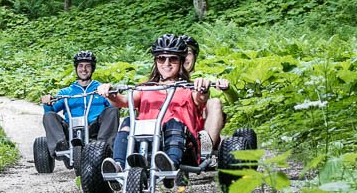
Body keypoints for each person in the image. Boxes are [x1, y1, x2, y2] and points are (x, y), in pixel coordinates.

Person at [108, 34, 202, 171]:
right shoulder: (145, 88)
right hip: (147, 142)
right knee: (128, 122)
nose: (166, 64)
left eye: (173, 59)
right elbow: (122, 101)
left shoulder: (189, 88)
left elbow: (201, 98)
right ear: (156, 61)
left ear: (181, 62)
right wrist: (110, 93)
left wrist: (203, 88)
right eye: (161, 58)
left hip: (182, 145)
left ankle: (170, 163)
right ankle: (118, 166)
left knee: (174, 122)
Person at [40, 50, 118, 157]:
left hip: (94, 128)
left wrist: (110, 94)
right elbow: (51, 112)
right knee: (49, 116)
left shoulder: (100, 89)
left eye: (87, 66)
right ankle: (60, 145)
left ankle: (104, 147)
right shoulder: (66, 92)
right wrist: (47, 103)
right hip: (71, 128)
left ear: (92, 68)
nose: (84, 69)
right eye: (80, 66)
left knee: (112, 111)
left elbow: (115, 109)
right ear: (76, 69)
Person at [178, 34, 228, 159]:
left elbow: (233, 100)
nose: (184, 57)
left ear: (195, 56)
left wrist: (227, 89)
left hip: (201, 129)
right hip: (173, 128)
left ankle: (206, 149)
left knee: (215, 102)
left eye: (188, 53)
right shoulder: (165, 81)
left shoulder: (206, 79)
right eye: (180, 53)